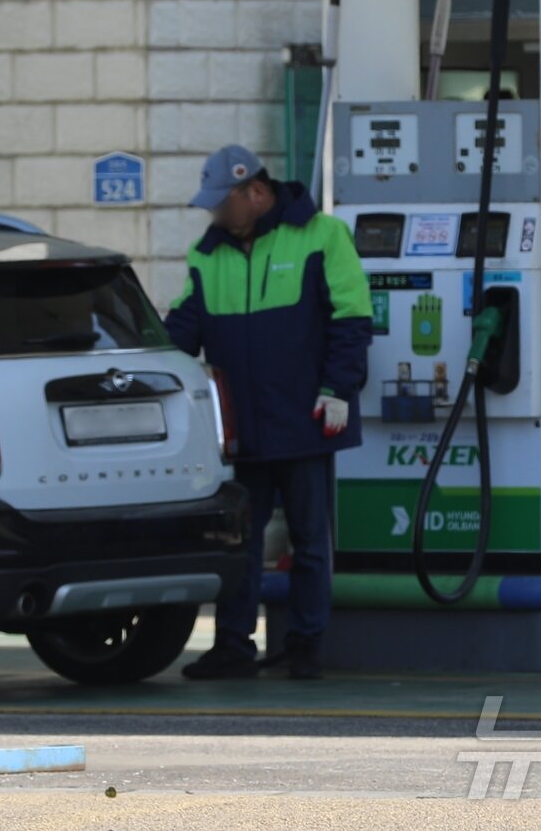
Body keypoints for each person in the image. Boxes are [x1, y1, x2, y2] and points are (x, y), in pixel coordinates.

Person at [165, 145, 372, 680]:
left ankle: (304, 645)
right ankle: (233, 645)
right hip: (243, 428)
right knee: (240, 543)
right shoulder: (206, 254)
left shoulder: (322, 235)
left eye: (222, 203)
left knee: (309, 541)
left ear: (255, 192)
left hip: (307, 419)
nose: (215, 214)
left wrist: (338, 389)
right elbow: (182, 329)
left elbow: (352, 318)